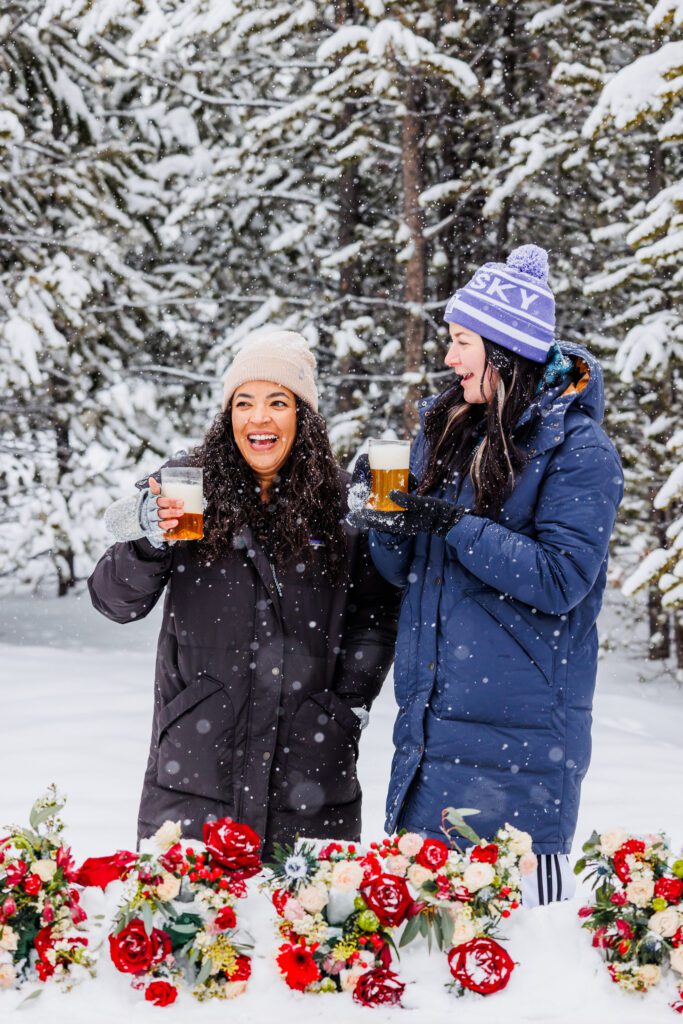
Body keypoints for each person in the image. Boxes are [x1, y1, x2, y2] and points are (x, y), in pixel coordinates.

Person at [350, 245, 624, 907]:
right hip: (427, 733)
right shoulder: (448, 433)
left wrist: (453, 525)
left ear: (503, 350)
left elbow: (562, 579)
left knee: (517, 957)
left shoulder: (578, 450)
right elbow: (406, 573)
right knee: (417, 958)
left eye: (461, 341)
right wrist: (384, 523)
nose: (448, 357)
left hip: (522, 749)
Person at [89, 329, 400, 854]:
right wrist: (149, 536)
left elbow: (375, 615)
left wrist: (344, 707)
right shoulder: (186, 487)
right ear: (228, 414)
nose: (259, 418)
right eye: (244, 402)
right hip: (195, 768)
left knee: (301, 929)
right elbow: (114, 600)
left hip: (310, 769)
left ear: (302, 416)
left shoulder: (342, 505)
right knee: (194, 925)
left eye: (278, 402)